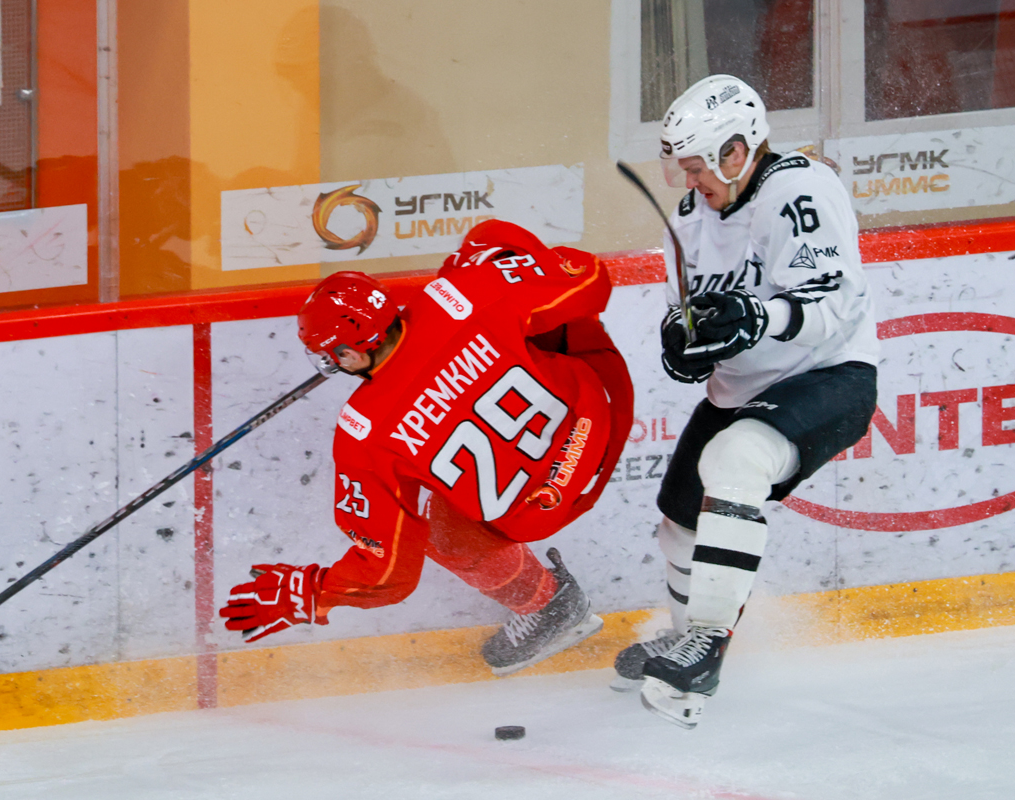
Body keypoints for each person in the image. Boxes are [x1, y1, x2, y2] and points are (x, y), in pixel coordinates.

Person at [220, 219, 634, 676]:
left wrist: (316, 589)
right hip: (602, 412)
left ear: (351, 354)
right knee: (494, 247)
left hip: (538, 508)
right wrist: (494, 260)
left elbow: (388, 572)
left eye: (328, 354)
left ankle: (549, 605)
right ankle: (552, 605)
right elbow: (590, 279)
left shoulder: (363, 432)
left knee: (435, 531)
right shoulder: (457, 296)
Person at [612, 74, 880, 728]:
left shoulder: (799, 191)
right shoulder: (689, 218)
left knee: (735, 460)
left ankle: (707, 647)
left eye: (698, 166)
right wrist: (686, 344)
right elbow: (695, 315)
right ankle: (686, 641)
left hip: (829, 376)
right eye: (682, 168)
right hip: (742, 392)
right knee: (679, 521)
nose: (689, 181)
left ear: (736, 152)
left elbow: (834, 305)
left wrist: (759, 317)